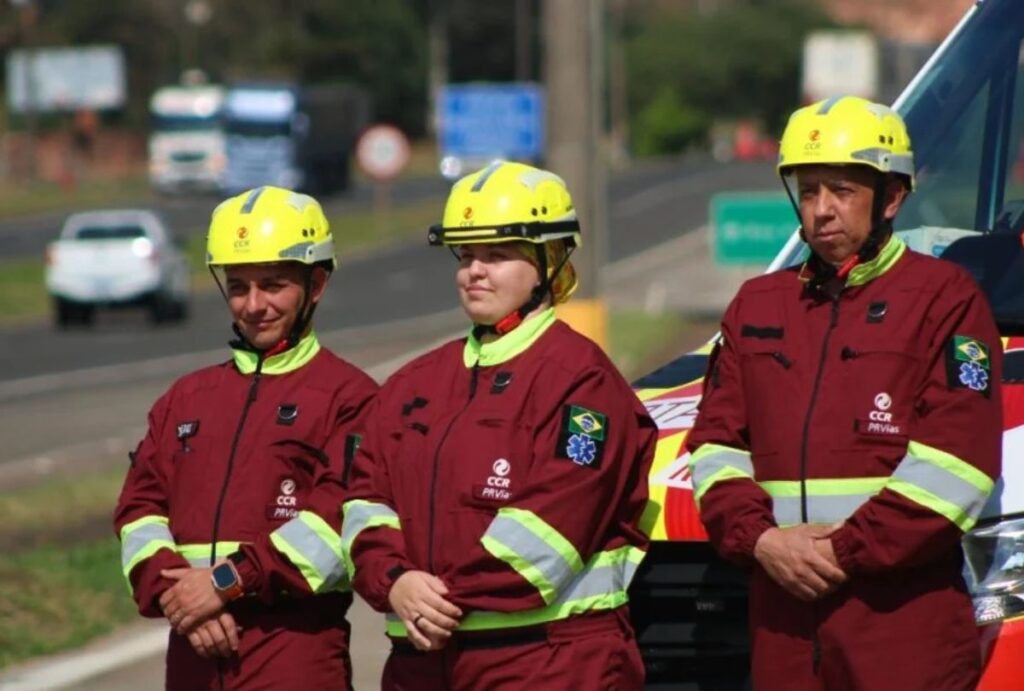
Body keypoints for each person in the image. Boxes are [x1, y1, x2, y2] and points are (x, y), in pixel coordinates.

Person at [686, 95, 1003, 690]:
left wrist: (842, 552)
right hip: (781, 622)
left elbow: (957, 462)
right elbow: (713, 446)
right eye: (808, 192)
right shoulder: (756, 304)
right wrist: (761, 539)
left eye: (842, 191)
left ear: (892, 196)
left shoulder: (946, 299)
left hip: (901, 625)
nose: (822, 210)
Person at [341, 161, 657, 690]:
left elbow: (547, 538)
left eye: (497, 255)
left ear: (549, 262)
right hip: (422, 665)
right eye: (465, 256)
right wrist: (393, 582)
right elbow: (364, 500)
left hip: (547, 665)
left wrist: (433, 599)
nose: (474, 271)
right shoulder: (414, 383)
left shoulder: (583, 383)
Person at [113, 186, 378, 690]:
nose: (254, 305)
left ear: (316, 285)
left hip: (293, 657)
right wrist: (180, 597)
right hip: (191, 651)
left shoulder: (352, 398)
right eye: (238, 287)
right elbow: (138, 513)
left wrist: (223, 585)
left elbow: (333, 529)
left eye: (273, 285)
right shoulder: (185, 399)